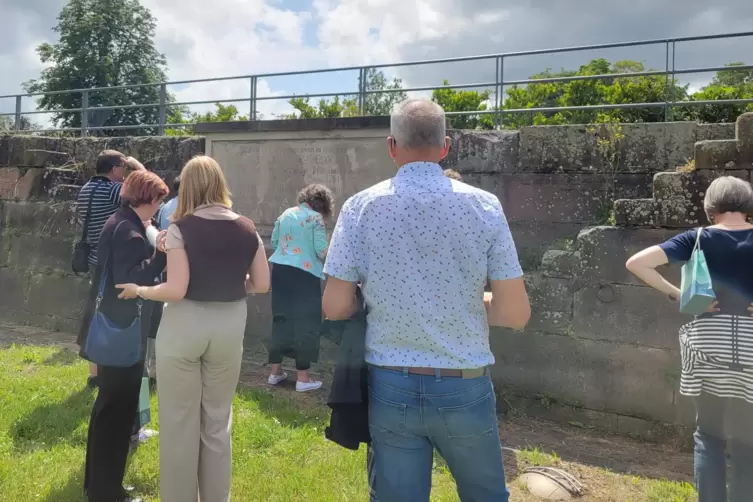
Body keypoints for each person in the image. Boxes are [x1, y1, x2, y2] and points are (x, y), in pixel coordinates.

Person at [322, 98, 531, 502]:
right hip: (463, 380)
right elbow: (514, 312)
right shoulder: (484, 206)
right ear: (445, 146)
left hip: (390, 380)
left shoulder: (360, 207)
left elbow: (334, 305)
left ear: (391, 145)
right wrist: (467, 303)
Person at [116, 155, 270, 502]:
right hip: (230, 324)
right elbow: (261, 283)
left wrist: (140, 290)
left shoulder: (181, 227)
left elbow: (176, 288)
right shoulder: (247, 227)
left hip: (186, 324)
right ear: (220, 184)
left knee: (179, 422)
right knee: (217, 421)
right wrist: (231, 282)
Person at [626, 176, 753, 502]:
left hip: (708, 348)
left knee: (709, 435)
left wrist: (680, 294)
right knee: (746, 442)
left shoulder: (697, 237)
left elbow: (636, 263)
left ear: (710, 208)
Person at [78, 170, 169, 502]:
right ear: (147, 198)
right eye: (158, 199)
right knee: (116, 419)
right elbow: (128, 284)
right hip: (123, 335)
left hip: (109, 330)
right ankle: (107, 492)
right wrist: (160, 256)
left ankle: (97, 486)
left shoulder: (118, 221)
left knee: (105, 414)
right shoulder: (130, 232)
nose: (159, 208)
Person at [76, 150, 145, 389]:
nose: (125, 174)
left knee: (94, 315)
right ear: (115, 169)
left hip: (94, 259)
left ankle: (94, 373)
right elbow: (147, 190)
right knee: (111, 317)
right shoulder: (114, 190)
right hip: (113, 263)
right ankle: (113, 366)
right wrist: (137, 166)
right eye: (123, 169)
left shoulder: (86, 189)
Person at [266, 184, 334, 392]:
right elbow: (321, 250)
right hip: (305, 275)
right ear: (323, 204)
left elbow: (275, 241)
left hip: (280, 271)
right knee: (305, 323)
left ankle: (275, 372)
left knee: (281, 319)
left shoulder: (286, 214)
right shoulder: (315, 219)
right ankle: (303, 378)